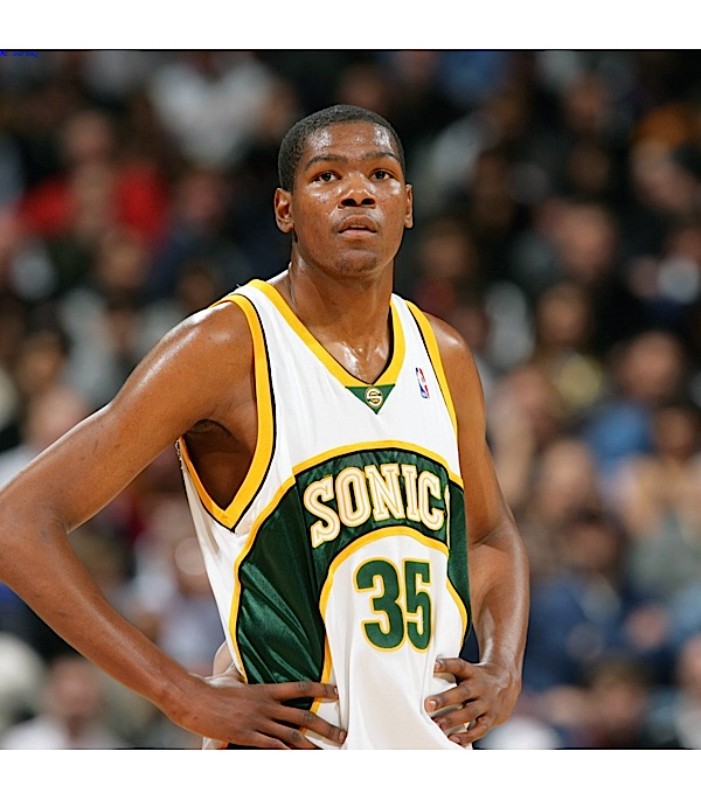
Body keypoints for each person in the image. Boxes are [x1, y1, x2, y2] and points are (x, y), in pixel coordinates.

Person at [0, 104, 529, 749]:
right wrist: (180, 693)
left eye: (381, 175)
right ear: (285, 210)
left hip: (427, 755)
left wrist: (503, 667)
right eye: (327, 176)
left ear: (408, 205)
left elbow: (489, 533)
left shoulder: (443, 354)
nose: (358, 192)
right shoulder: (226, 346)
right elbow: (17, 522)